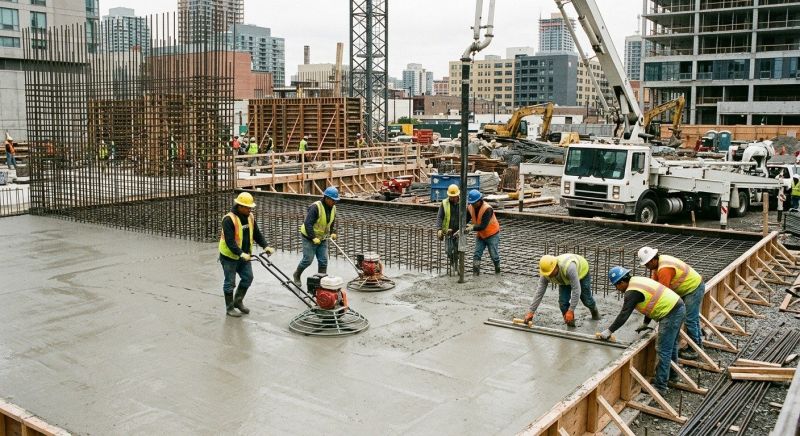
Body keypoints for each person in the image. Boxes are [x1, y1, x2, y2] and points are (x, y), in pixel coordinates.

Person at [599, 267, 685, 394]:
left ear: (621, 282)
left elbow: (624, 314)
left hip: (670, 314)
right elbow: (653, 301)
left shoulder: (631, 292)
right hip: (678, 307)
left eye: (616, 286)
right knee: (670, 347)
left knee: (663, 349)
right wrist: (645, 323)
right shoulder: (637, 281)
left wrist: (609, 331)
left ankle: (660, 386)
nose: (617, 289)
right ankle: (672, 376)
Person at [638, 246, 704, 360]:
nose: (647, 267)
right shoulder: (658, 266)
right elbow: (655, 289)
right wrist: (646, 321)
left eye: (647, 265)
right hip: (690, 288)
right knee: (692, 318)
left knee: (690, 319)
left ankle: (694, 350)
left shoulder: (664, 269)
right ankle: (698, 344)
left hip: (693, 288)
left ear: (653, 260)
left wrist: (661, 316)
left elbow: (663, 295)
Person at [219, 192, 275, 317]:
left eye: (250, 207)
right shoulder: (229, 219)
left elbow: (256, 233)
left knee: (248, 277)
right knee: (230, 283)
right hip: (229, 257)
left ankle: (238, 301)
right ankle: (229, 308)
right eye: (247, 207)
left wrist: (265, 246)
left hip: (244, 255)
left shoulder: (250, 217)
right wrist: (240, 253)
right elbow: (230, 242)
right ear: (240, 206)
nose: (250, 209)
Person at [525, 254, 601, 327]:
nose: (549, 275)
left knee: (586, 299)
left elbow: (576, 290)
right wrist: (531, 311)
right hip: (564, 278)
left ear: (555, 266)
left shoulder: (569, 268)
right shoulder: (546, 273)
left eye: (551, 273)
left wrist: (571, 310)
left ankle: (595, 312)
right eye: (548, 274)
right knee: (563, 303)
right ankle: (570, 324)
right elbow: (539, 292)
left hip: (581, 272)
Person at [293, 186, 339, 286]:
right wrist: (313, 237)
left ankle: (321, 282)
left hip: (322, 238)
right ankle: (297, 274)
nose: (335, 202)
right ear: (327, 198)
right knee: (308, 260)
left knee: (323, 261)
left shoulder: (333, 208)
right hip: (309, 237)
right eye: (333, 200)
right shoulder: (315, 207)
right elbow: (308, 224)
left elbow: (332, 222)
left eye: (336, 200)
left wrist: (333, 232)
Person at [465, 189, 500, 275]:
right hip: (481, 235)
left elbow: (483, 226)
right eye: (471, 203)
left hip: (492, 234)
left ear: (479, 200)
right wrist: (461, 227)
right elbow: (465, 220)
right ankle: (475, 273)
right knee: (477, 254)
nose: (472, 205)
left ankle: (498, 270)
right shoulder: (470, 207)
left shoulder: (487, 209)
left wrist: (471, 227)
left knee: (494, 255)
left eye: (474, 203)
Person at [436, 184, 460, 271]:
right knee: (448, 250)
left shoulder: (463, 203)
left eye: (454, 197)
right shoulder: (444, 203)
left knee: (458, 249)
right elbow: (440, 217)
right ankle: (452, 262)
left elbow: (467, 216)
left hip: (459, 231)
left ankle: (457, 264)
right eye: (451, 197)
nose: (452, 198)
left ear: (458, 195)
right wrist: (439, 229)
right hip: (448, 231)